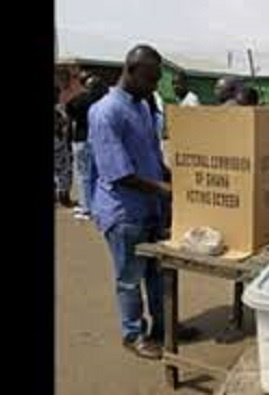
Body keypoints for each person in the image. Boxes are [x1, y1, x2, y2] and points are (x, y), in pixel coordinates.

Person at [88, 44, 171, 360]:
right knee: (129, 278)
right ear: (132, 71)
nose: (154, 87)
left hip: (150, 208)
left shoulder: (142, 105)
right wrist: (164, 189)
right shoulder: (106, 111)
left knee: (157, 274)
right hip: (124, 212)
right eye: (151, 80)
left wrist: (176, 177)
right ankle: (133, 335)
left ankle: (163, 328)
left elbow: (152, 154)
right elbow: (119, 174)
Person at [65, 73, 108, 220]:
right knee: (96, 175)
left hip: (81, 140)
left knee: (83, 175)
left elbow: (69, 107)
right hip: (97, 140)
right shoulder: (103, 100)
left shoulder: (82, 100)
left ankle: (86, 208)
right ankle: (95, 206)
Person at [54, 85, 74, 207]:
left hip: (59, 141)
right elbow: (59, 126)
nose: (59, 96)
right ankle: (63, 197)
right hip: (58, 142)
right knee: (64, 170)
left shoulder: (59, 108)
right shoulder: (57, 110)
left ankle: (60, 196)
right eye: (57, 94)